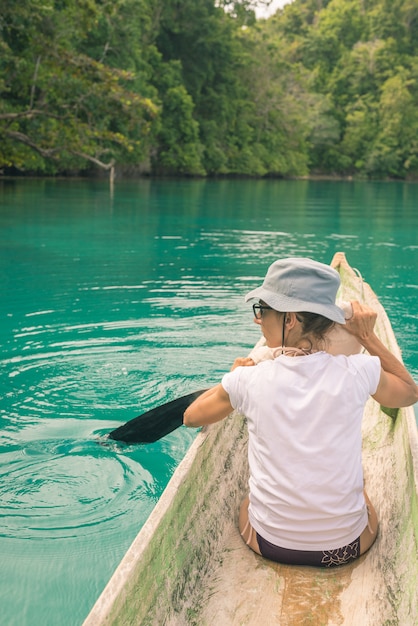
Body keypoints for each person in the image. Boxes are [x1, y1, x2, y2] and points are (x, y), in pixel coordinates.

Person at [183, 257, 418, 568]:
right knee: (363, 493)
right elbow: (408, 392)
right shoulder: (359, 371)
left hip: (270, 545)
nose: (258, 320)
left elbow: (190, 417)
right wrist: (367, 338)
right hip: (347, 547)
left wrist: (232, 378)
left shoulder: (248, 380)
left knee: (246, 503)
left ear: (290, 319)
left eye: (262, 310)